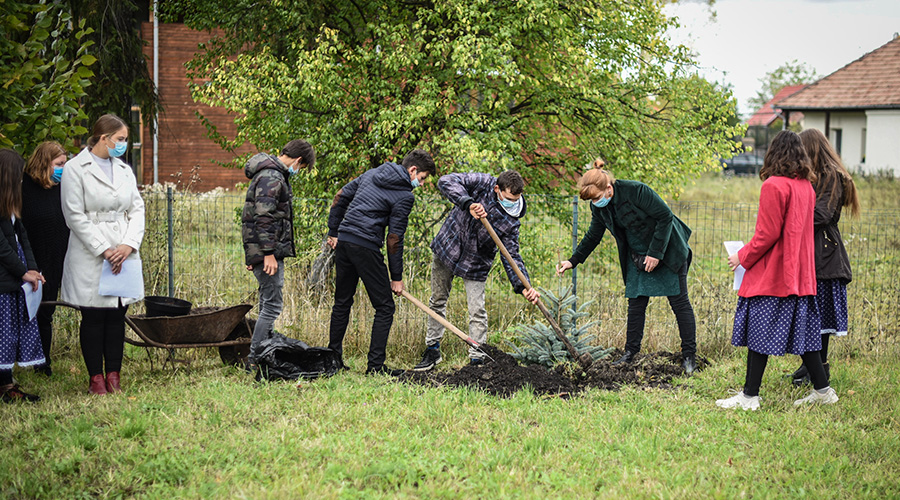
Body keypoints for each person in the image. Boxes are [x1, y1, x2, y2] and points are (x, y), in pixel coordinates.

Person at [717, 130, 838, 411]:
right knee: (807, 335)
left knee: (759, 328)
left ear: (774, 153)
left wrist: (741, 257)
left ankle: (749, 397)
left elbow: (767, 234)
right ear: (799, 155)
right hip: (800, 274)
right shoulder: (806, 187)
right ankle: (823, 391)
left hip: (775, 273)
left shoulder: (773, 185)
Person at [556, 158, 698, 373]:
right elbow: (594, 235)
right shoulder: (600, 207)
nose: (595, 203)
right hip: (637, 254)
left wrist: (655, 253)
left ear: (609, 188)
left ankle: (689, 357)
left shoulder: (637, 191)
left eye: (596, 198)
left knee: (679, 302)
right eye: (591, 201)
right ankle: (630, 353)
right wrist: (572, 260)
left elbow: (665, 217)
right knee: (636, 303)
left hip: (667, 248)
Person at [412, 171, 540, 371]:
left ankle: (476, 359)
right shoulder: (483, 183)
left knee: (477, 310)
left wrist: (523, 286)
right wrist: (467, 202)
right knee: (437, 300)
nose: (512, 203)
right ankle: (432, 350)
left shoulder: (512, 220)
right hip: (449, 247)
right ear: (497, 189)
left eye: (516, 200)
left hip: (477, 262)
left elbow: (511, 255)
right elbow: (446, 181)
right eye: (508, 199)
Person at [326, 149, 436, 376]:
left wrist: (334, 230)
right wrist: (396, 278)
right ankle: (375, 366)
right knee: (385, 307)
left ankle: (332, 359)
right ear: (413, 170)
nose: (422, 184)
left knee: (342, 302)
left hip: (345, 241)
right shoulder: (405, 195)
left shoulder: (372, 173)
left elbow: (340, 196)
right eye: (422, 178)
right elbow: (394, 238)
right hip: (365, 246)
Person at [60, 114, 145, 395]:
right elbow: (74, 215)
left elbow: (137, 209)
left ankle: (114, 376)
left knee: (118, 314)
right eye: (120, 139)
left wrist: (128, 245)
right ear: (103, 138)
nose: (123, 145)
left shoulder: (123, 170)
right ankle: (96, 377)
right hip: (91, 252)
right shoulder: (75, 168)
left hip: (123, 248)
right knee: (94, 315)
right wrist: (104, 249)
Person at [789, 128, 860, 385]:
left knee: (820, 316)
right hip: (815, 251)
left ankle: (820, 369)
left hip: (825, 255)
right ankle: (809, 366)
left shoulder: (831, 177)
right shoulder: (820, 177)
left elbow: (822, 215)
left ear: (810, 148)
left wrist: (790, 219)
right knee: (813, 313)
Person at [241, 139, 316, 371]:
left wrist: (255, 253)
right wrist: (267, 254)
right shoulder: (272, 177)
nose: (298, 171)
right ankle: (255, 359)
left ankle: (264, 350)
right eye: (301, 168)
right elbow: (264, 217)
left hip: (261, 249)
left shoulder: (268, 173)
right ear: (298, 160)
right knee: (272, 305)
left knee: (267, 301)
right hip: (267, 251)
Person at [0, 149, 47, 403]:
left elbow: (22, 238)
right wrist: (22, 271)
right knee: (2, 335)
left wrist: (33, 268)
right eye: (18, 176)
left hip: (14, 278)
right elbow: (2, 248)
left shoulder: (11, 207)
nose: (21, 181)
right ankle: (5, 387)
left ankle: (7, 386)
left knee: (7, 336)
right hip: (4, 280)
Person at [21, 141, 70, 377]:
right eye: (59, 164)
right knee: (25, 312)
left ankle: (43, 362)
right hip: (29, 260)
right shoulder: (24, 188)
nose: (63, 168)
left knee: (46, 312)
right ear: (44, 162)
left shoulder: (62, 188)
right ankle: (19, 360)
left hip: (55, 259)